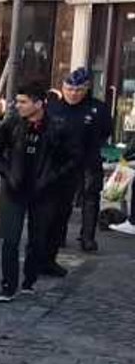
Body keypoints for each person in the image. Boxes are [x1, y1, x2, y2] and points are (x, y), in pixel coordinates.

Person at [0, 87, 78, 302]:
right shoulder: (12, 123)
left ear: (38, 104)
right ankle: (8, 286)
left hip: (43, 191)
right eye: (17, 102)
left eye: (23, 102)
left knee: (38, 239)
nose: (18, 105)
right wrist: (7, 173)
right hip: (14, 188)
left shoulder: (57, 126)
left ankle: (29, 280)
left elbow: (72, 159)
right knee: (10, 239)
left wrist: (52, 177)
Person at [48, 68, 113, 257]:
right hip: (62, 161)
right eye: (69, 89)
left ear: (86, 89)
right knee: (62, 200)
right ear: (63, 88)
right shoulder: (54, 107)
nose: (73, 93)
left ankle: (87, 238)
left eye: (78, 90)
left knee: (90, 199)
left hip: (89, 160)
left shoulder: (97, 108)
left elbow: (106, 131)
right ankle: (58, 236)